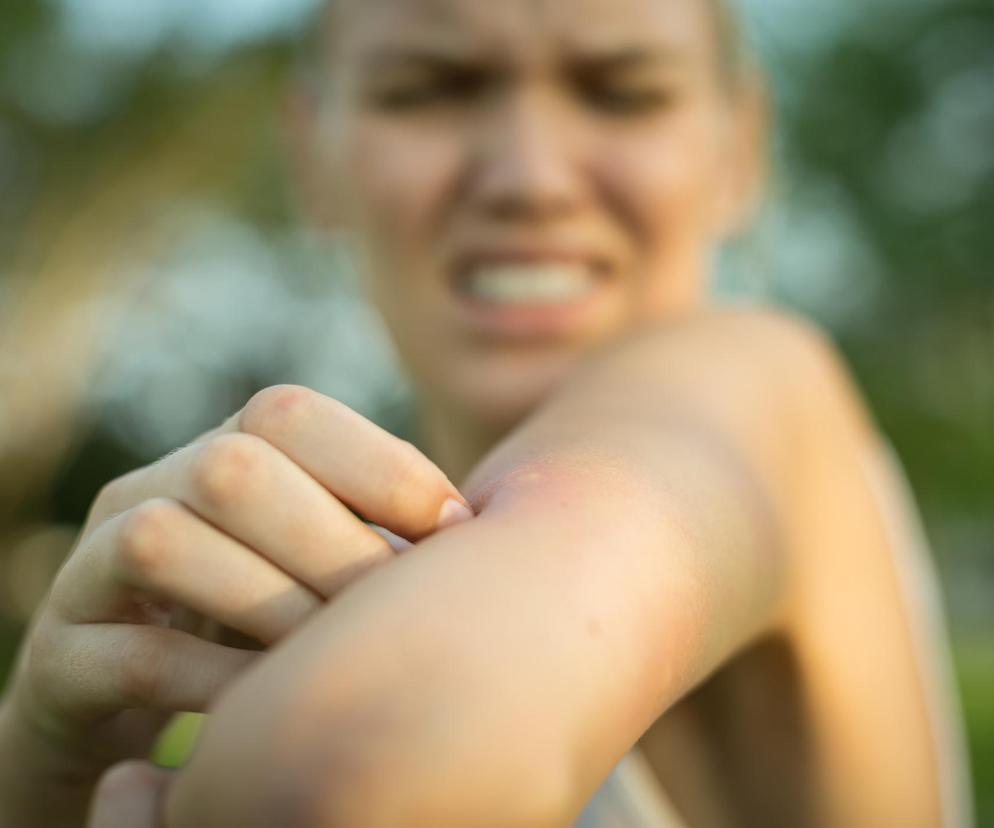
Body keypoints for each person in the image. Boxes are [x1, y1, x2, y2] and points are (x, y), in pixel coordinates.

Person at [0, 0, 973, 825]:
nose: (529, 177)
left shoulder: (761, 384)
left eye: (622, 90)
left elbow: (348, 771)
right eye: (429, 88)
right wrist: (42, 774)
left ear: (739, 151)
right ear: (313, 159)